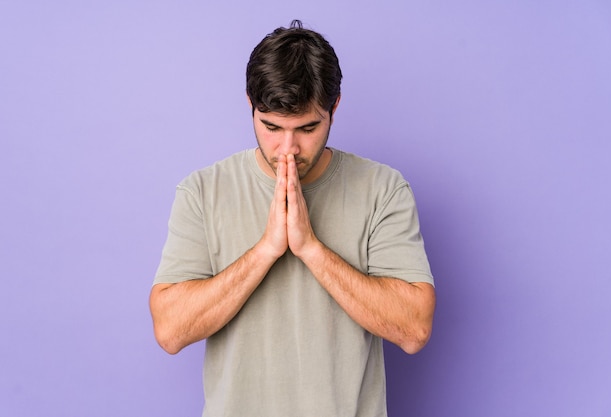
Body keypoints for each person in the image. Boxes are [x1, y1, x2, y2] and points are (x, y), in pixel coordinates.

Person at [149, 19, 436, 417]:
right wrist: (266, 250)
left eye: (307, 128)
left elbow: (414, 329)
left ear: (334, 108)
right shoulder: (202, 192)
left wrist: (311, 249)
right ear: (249, 103)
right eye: (271, 127)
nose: (288, 148)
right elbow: (170, 331)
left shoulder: (383, 189)